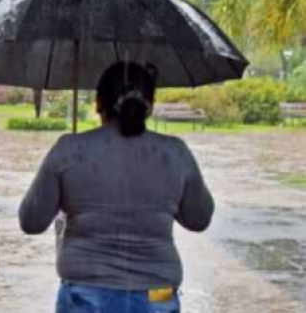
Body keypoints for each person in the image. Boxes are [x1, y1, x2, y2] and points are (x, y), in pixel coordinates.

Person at [19, 62, 214, 313]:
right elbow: (199, 219)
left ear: (98, 103)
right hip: (157, 296)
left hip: (85, 296)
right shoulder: (175, 152)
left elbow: (31, 221)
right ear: (150, 106)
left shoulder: (69, 150)